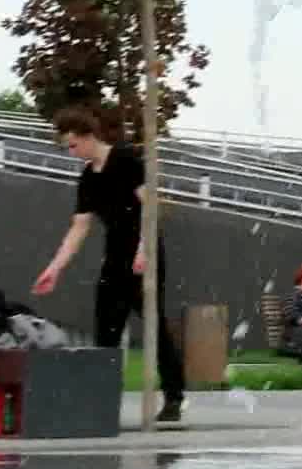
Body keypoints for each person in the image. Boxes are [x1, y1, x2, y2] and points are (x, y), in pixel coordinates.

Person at [31, 107, 186, 423]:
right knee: (106, 329)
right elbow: (79, 227)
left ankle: (174, 396)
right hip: (115, 256)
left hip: (145, 250)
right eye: (68, 147)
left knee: (154, 325)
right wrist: (55, 268)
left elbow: (151, 207)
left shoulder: (126, 160)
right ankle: (103, 401)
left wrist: (143, 249)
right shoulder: (88, 178)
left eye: (74, 145)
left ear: (89, 136)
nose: (72, 152)